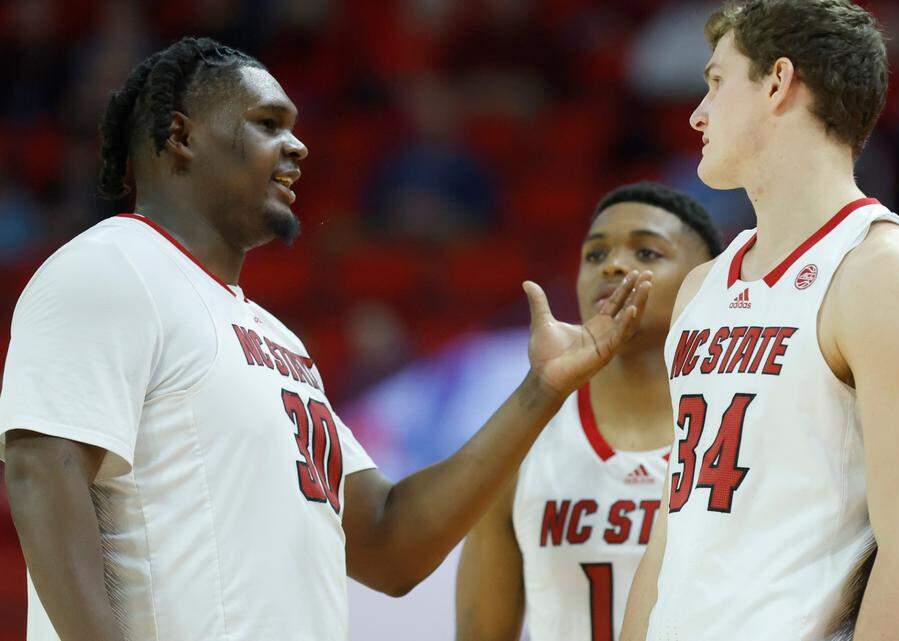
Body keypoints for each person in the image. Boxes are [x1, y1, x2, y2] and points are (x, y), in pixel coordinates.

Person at [0, 37, 651, 641]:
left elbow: (390, 543)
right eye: (267, 123)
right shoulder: (110, 267)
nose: (298, 146)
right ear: (181, 137)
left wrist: (540, 390)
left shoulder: (274, 337)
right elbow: (41, 470)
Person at [620, 2, 899, 641]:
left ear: (778, 83)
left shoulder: (884, 273)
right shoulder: (702, 287)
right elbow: (673, 528)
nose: (697, 112)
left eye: (717, 82)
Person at [455, 182, 722, 641]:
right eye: (596, 255)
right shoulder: (522, 439)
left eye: (647, 253)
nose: (614, 264)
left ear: (705, 281)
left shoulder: (744, 430)